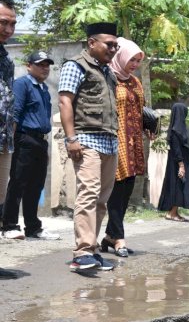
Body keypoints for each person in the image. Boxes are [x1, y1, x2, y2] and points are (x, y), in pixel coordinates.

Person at [58, 22, 120, 272]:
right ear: (92, 43)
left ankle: (92, 250)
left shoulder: (108, 72)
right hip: (86, 141)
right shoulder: (75, 66)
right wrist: (71, 139)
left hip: (108, 142)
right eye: (109, 44)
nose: (113, 49)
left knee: (102, 200)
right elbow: (65, 101)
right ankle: (82, 252)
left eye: (116, 45)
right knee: (89, 194)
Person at [2, 51, 60, 241]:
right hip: (24, 139)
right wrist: (11, 142)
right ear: (29, 65)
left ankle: (33, 227)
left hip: (41, 141)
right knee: (18, 182)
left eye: (47, 65)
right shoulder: (22, 84)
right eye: (40, 64)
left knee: (36, 185)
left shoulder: (43, 88)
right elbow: (15, 113)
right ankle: (9, 225)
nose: (45, 68)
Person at [101, 38, 148, 257]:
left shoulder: (135, 82)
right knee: (116, 189)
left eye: (138, 61)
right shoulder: (108, 79)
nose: (134, 64)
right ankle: (118, 237)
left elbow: (142, 108)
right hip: (116, 139)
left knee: (127, 188)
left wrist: (149, 125)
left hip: (135, 140)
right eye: (131, 59)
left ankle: (111, 235)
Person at [0, 0, 18, 279]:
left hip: (3, 140)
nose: (8, 28)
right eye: (3, 22)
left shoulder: (6, 59)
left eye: (13, 24)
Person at [158, 103, 189, 221]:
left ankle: (172, 213)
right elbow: (177, 150)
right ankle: (172, 213)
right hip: (178, 163)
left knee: (176, 186)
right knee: (178, 187)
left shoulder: (177, 129)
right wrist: (181, 166)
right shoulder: (177, 131)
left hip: (177, 163)